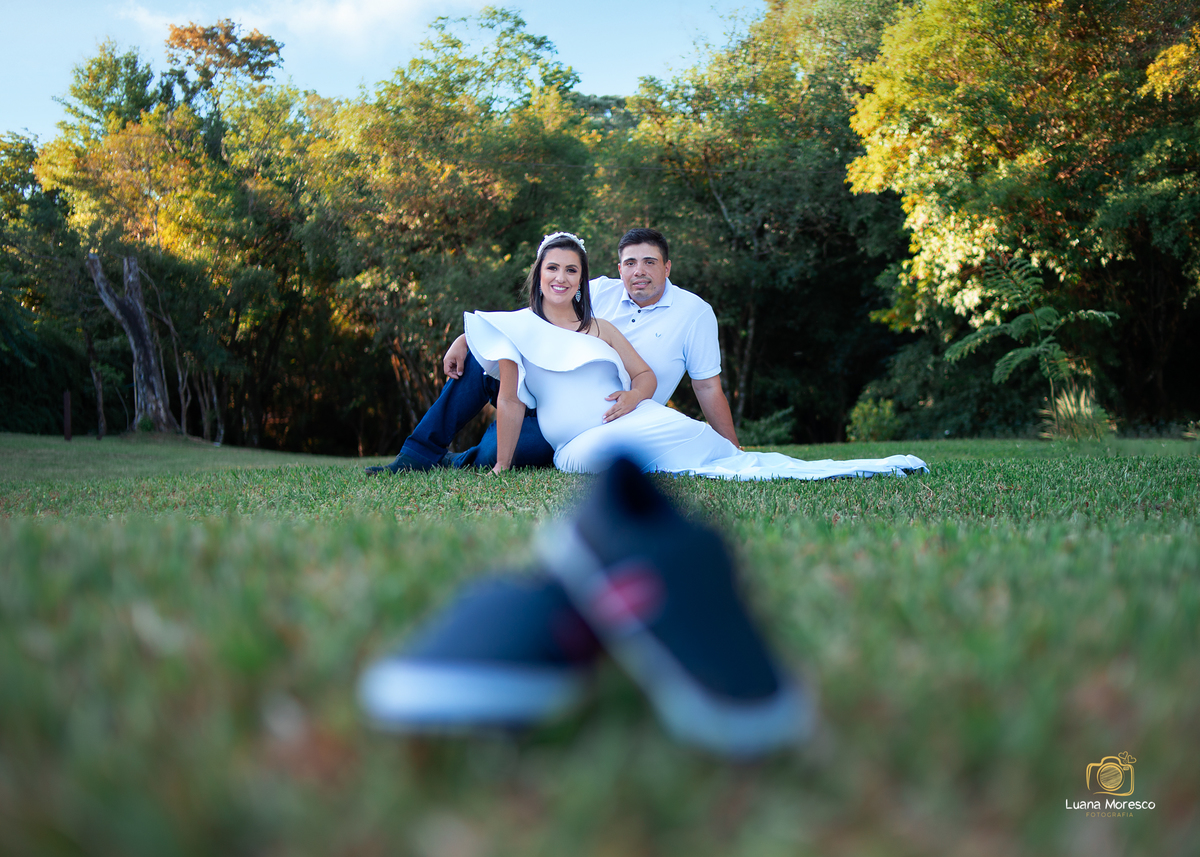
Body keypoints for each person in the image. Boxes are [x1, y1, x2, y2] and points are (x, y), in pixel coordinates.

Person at [466, 232, 927, 480]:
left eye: (571, 270)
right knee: (651, 447)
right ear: (539, 274)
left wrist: (633, 398)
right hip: (575, 446)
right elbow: (510, 401)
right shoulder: (518, 329)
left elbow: (650, 377)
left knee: (698, 439)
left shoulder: (601, 325)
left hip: (635, 417)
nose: (562, 277)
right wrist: (503, 466)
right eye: (553, 268)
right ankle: (724, 456)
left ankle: (738, 457)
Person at [366, 228, 737, 474]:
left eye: (650, 262)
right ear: (619, 268)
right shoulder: (598, 290)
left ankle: (454, 461)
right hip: (536, 383)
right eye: (630, 263)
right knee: (483, 355)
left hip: (592, 420)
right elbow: (536, 317)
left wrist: (731, 448)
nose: (639, 271)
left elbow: (707, 386)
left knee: (506, 453)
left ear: (667, 267)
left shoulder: (694, 313)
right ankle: (415, 455)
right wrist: (466, 338)